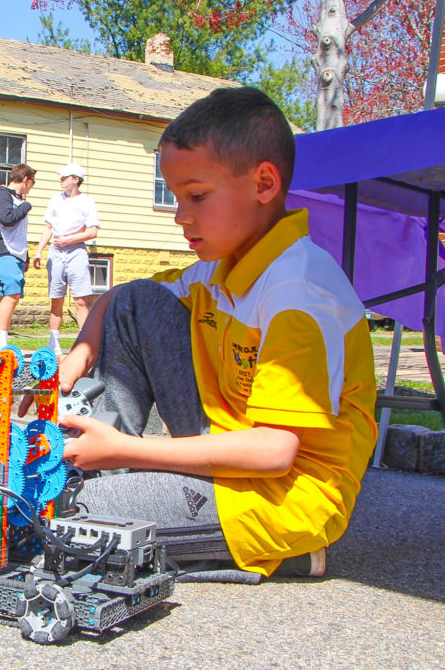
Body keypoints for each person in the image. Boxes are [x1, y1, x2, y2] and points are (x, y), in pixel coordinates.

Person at [27, 87, 376, 581]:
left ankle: (282, 551)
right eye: (175, 197)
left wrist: (129, 450)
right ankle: (111, 462)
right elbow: (121, 299)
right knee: (136, 299)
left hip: (282, 493)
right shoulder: (223, 265)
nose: (180, 216)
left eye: (196, 196)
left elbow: (275, 451)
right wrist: (76, 357)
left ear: (264, 183)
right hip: (227, 446)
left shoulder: (299, 294)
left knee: (54, 517)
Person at [32, 162, 100, 356]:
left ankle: (84, 344)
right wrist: (39, 251)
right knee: (56, 300)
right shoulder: (55, 200)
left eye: (65, 177)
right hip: (55, 252)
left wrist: (70, 239)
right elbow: (48, 228)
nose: (61, 180)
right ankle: (53, 343)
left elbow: (93, 231)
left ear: (76, 180)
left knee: (80, 301)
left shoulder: (87, 202)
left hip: (76, 252)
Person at [0, 164, 36, 353]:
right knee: (12, 293)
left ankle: (1, 341)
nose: (32, 187)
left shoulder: (17, 200)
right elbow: (7, 219)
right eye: (32, 182)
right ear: (25, 179)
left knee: (9, 296)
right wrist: (26, 206)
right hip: (1, 251)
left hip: (16, 254)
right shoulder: (1, 195)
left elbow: (19, 232)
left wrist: (26, 257)